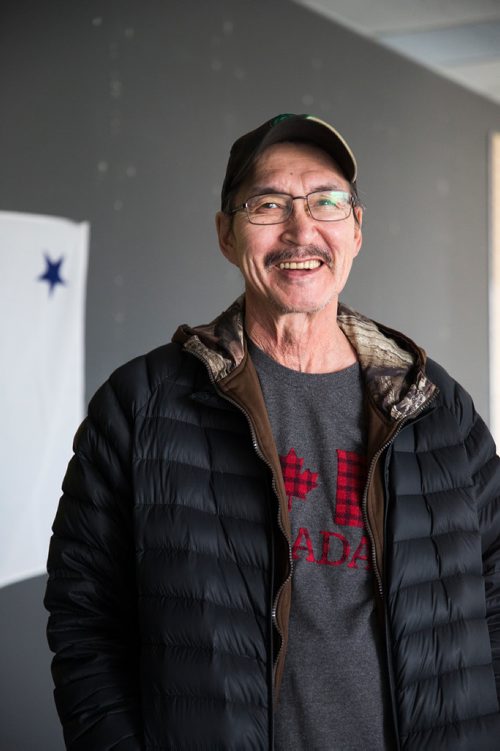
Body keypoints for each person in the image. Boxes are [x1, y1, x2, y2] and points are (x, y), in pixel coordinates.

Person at [44, 113, 500, 751]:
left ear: (357, 230)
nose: (301, 228)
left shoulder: (435, 407)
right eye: (267, 204)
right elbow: (84, 618)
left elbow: (494, 594)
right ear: (227, 236)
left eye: (327, 201)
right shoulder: (142, 404)